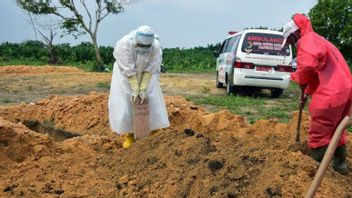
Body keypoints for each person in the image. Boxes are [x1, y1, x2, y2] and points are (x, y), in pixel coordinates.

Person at [282, 13, 352, 175]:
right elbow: (318, 71)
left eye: (290, 41)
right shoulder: (319, 39)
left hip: (331, 92)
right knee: (337, 129)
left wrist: (300, 80)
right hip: (345, 89)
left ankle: (315, 169)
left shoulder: (307, 40)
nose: (292, 45)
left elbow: (307, 67)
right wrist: (306, 92)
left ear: (295, 33)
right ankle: (340, 165)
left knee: (320, 130)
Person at [108, 25, 170, 149]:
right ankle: (130, 135)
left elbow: (153, 64)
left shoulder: (155, 45)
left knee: (152, 100)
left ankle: (154, 132)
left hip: (146, 74)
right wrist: (135, 87)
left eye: (146, 47)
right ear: (136, 40)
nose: (143, 49)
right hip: (125, 76)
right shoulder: (125, 43)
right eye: (141, 46)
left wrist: (143, 86)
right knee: (126, 103)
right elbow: (126, 66)